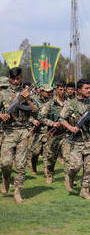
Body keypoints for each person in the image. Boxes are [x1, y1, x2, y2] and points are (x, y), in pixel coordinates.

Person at [60, 79, 90, 199]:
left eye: (89, 88)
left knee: (89, 168)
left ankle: (84, 190)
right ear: (79, 90)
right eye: (86, 88)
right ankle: (70, 177)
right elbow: (61, 119)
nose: (89, 91)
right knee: (75, 166)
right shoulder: (70, 103)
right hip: (76, 141)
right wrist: (71, 128)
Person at [0, 67, 38, 203]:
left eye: (18, 78)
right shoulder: (3, 94)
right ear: (9, 79)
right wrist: (1, 115)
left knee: (21, 164)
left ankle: (17, 191)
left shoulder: (27, 93)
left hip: (23, 131)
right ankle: (6, 178)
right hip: (8, 131)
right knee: (5, 163)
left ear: (21, 77)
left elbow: (35, 110)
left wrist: (27, 100)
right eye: (13, 79)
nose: (16, 81)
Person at [40, 82, 66, 183]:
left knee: (68, 157)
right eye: (60, 89)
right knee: (51, 157)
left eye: (64, 89)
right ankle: (49, 174)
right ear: (56, 90)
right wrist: (52, 123)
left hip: (66, 134)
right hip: (53, 134)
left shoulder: (69, 103)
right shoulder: (50, 104)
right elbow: (41, 118)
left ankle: (69, 178)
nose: (62, 92)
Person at [27, 84, 53, 175]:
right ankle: (33, 166)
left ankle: (47, 172)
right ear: (42, 92)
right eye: (48, 92)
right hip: (36, 130)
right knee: (35, 151)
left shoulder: (52, 101)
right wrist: (32, 120)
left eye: (51, 92)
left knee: (47, 152)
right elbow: (27, 115)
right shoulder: (34, 100)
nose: (50, 93)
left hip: (48, 130)